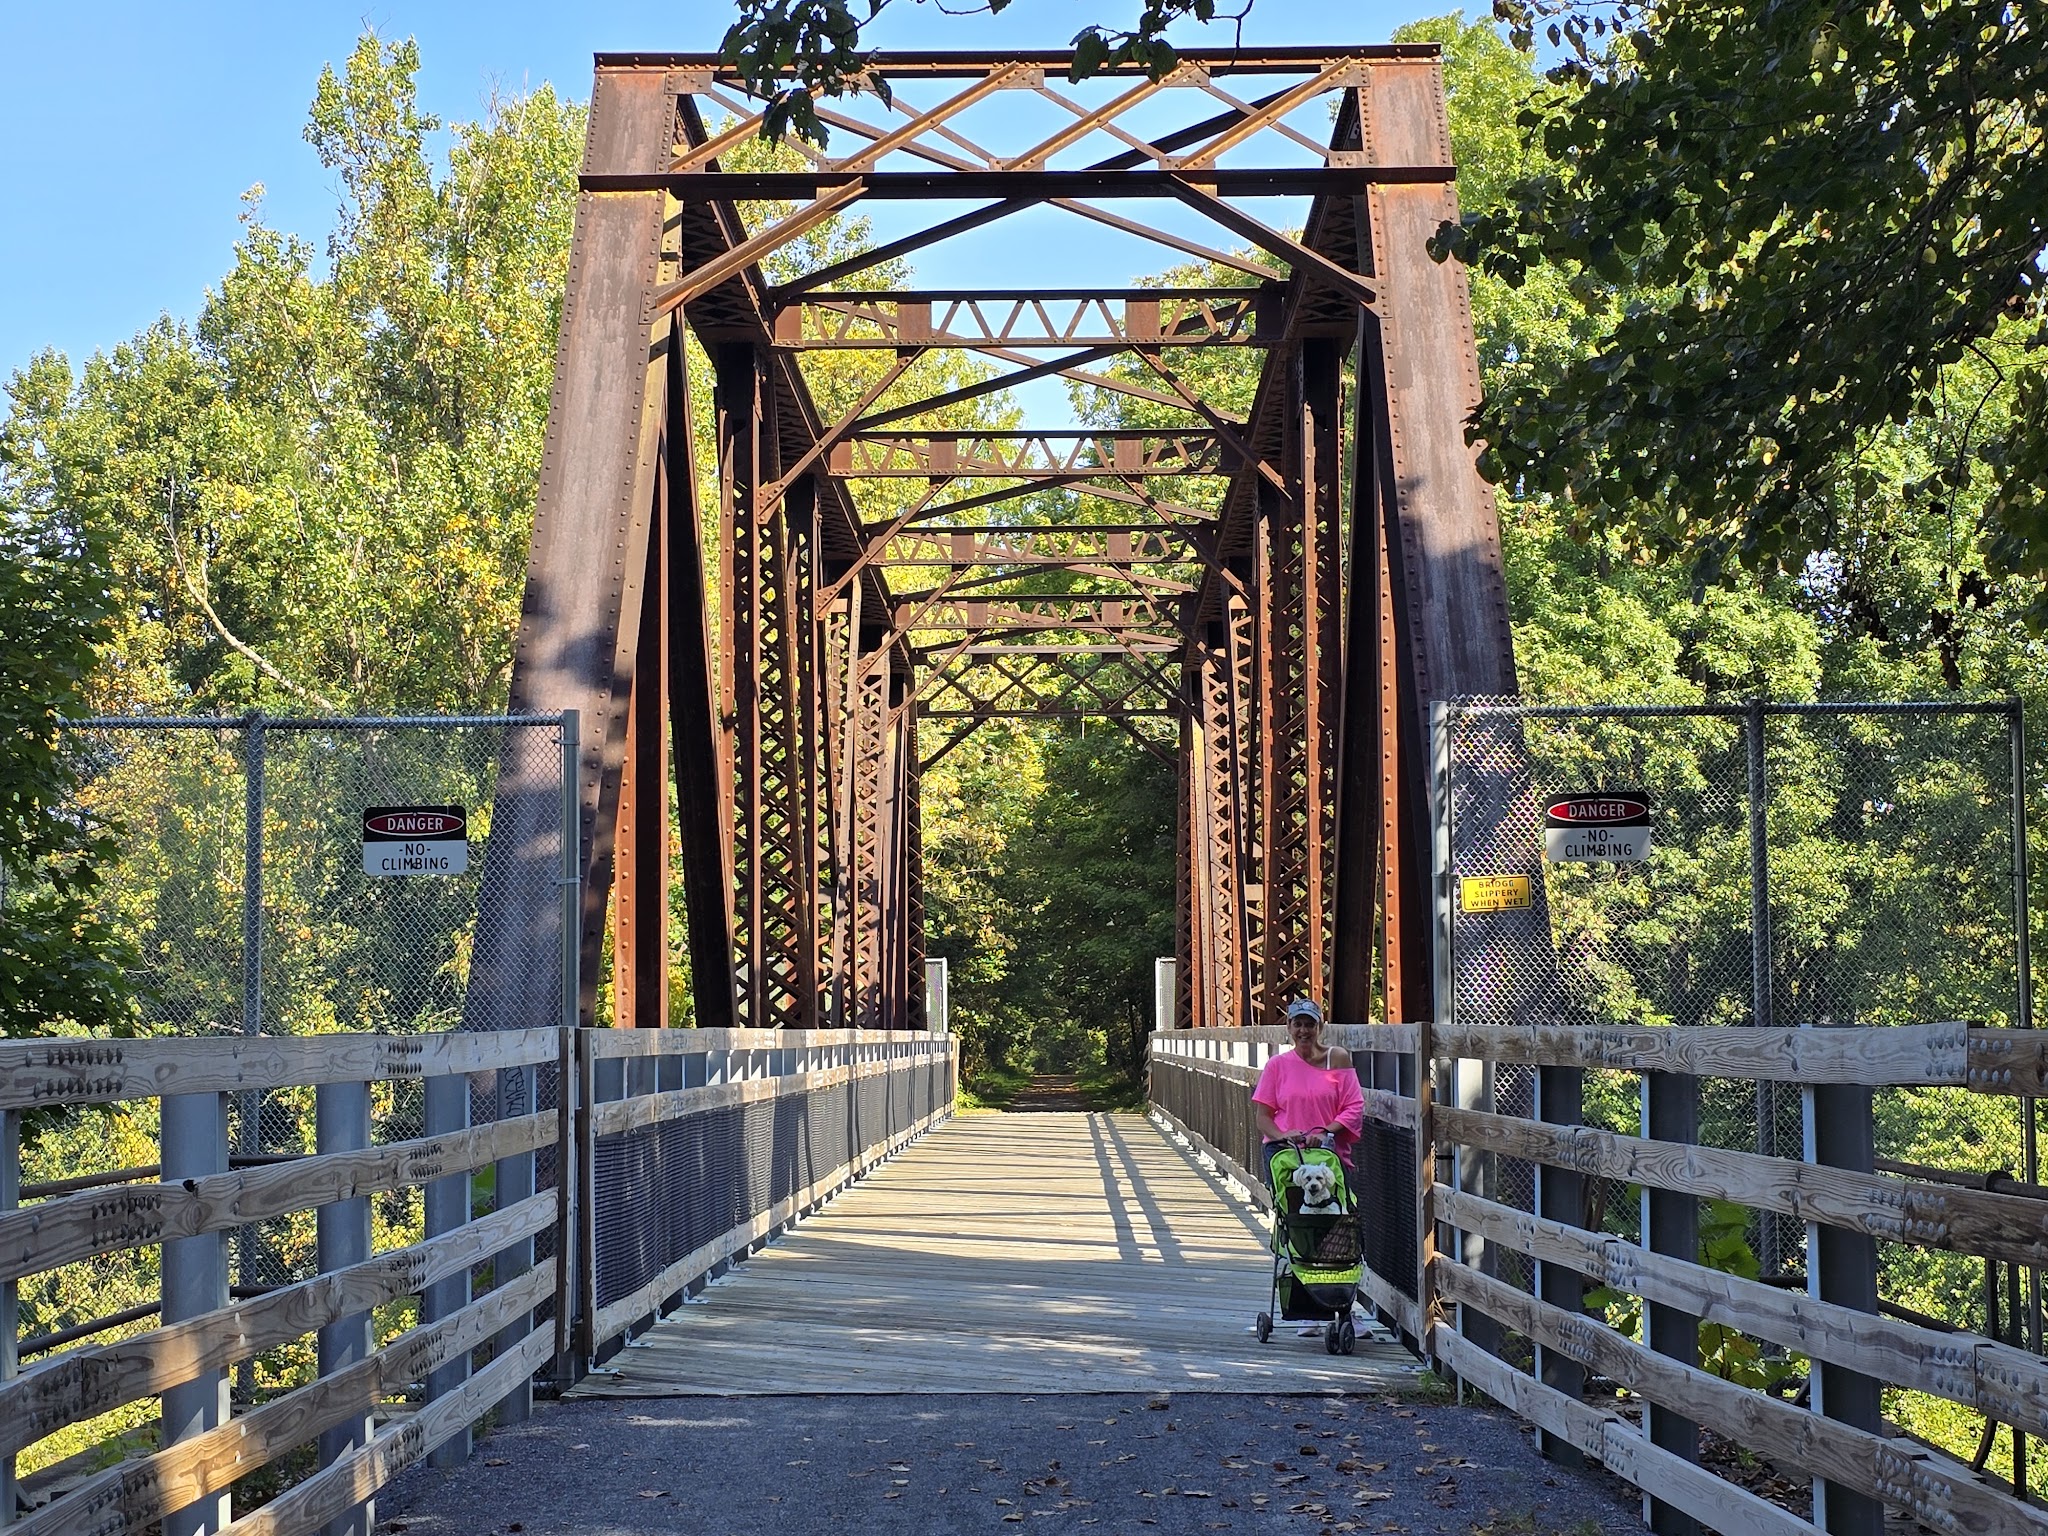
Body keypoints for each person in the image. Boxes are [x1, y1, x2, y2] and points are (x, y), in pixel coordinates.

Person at [1252, 997, 1364, 1185]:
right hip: (1286, 1152)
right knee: (1289, 1204)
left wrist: (1325, 1133)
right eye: (1298, 1024)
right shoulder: (1276, 1065)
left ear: (1320, 1027)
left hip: (1327, 1152)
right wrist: (1282, 1136)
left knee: (1332, 1202)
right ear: (1289, 1026)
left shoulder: (1337, 1058)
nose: (1303, 1031)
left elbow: (1354, 1106)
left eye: (1310, 1025)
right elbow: (1263, 1117)